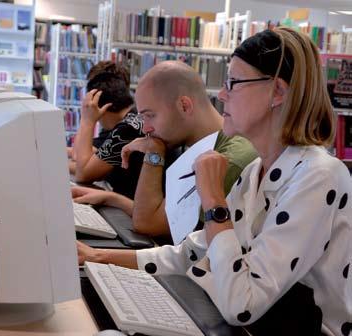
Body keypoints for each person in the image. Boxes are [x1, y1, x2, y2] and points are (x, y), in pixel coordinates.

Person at [78, 28, 352, 336]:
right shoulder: (258, 170)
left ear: (278, 92)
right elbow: (193, 252)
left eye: (233, 83)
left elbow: (242, 303)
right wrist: (99, 257)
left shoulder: (318, 176)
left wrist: (214, 201)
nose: (222, 94)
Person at [73, 60, 257, 237]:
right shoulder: (200, 145)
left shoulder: (228, 160)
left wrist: (154, 152)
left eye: (150, 116)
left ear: (184, 106)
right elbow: (168, 217)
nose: (144, 129)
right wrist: (111, 198)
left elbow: (147, 223)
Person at [70, 62, 145, 199]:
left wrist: (87, 120)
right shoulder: (133, 118)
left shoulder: (128, 128)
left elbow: (83, 174)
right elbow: (86, 157)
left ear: (100, 107)